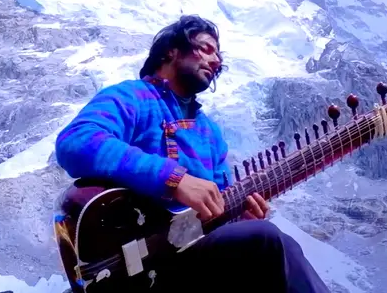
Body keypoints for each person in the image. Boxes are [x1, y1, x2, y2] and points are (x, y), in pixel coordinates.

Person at [54, 15, 330, 293]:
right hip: (132, 268)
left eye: (219, 55)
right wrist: (174, 179)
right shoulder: (132, 97)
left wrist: (240, 221)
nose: (217, 61)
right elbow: (77, 141)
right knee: (269, 239)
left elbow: (213, 213)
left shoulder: (210, 132)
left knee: (271, 244)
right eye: (207, 49)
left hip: (189, 261)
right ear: (171, 51)